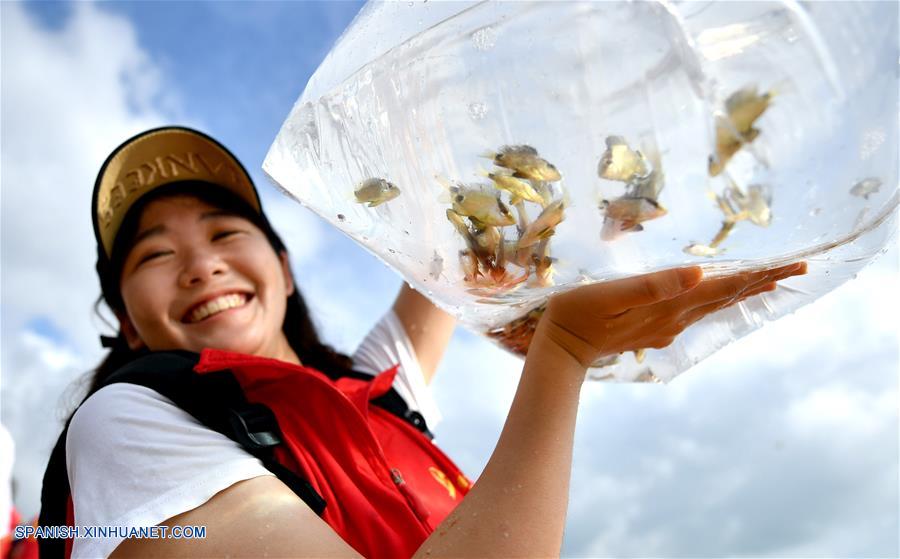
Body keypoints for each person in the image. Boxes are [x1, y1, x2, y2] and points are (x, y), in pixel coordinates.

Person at [43, 126, 806, 558]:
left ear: (282, 266)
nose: (201, 263)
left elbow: (464, 235)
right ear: (127, 317)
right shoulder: (124, 427)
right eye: (154, 254)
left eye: (224, 232)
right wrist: (564, 352)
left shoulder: (379, 387)